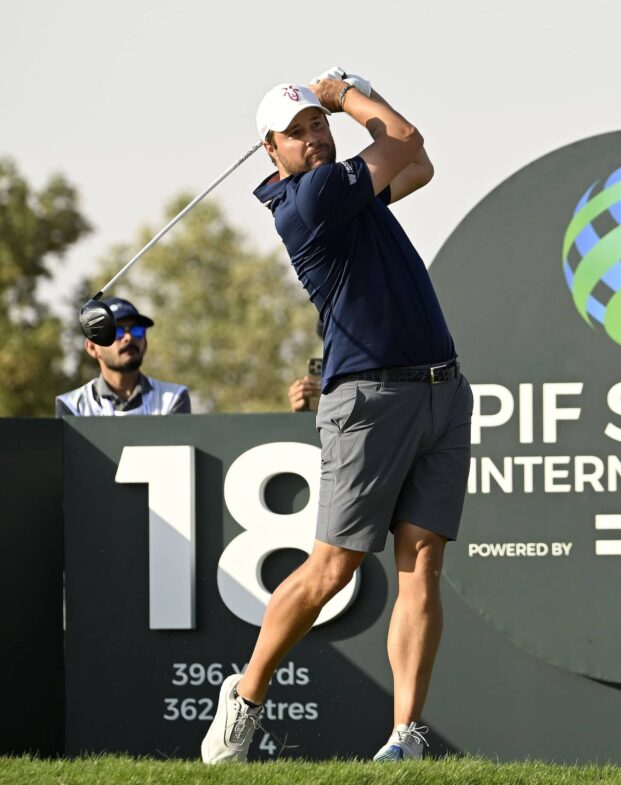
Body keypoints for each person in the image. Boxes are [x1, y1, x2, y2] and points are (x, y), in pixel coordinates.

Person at [201, 71, 472, 765]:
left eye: (320, 122)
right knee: (333, 567)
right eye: (299, 131)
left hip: (439, 388)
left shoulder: (351, 195)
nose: (316, 135)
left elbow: (419, 163)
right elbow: (404, 138)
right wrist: (351, 91)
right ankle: (246, 697)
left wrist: (357, 107)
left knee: (422, 565)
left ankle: (405, 736)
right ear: (272, 151)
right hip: (370, 398)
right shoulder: (313, 198)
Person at [56, 297, 190, 416]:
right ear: (92, 348)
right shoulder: (72, 406)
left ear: (145, 344)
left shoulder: (173, 398)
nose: (128, 337)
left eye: (137, 331)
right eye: (117, 331)